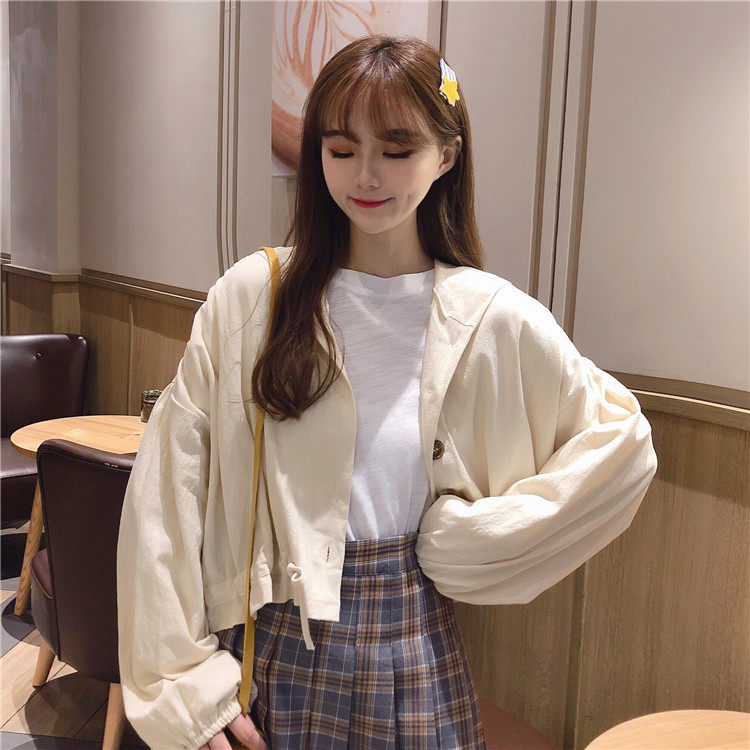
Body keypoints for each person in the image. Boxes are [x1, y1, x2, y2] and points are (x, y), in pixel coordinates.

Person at [116, 34, 658, 750]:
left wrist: (476, 544)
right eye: (341, 150)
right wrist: (184, 689)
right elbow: (167, 497)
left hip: (417, 654)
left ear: (448, 155)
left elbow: (623, 444)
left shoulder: (490, 317)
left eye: (397, 150)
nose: (366, 175)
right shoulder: (253, 299)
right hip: (270, 650)